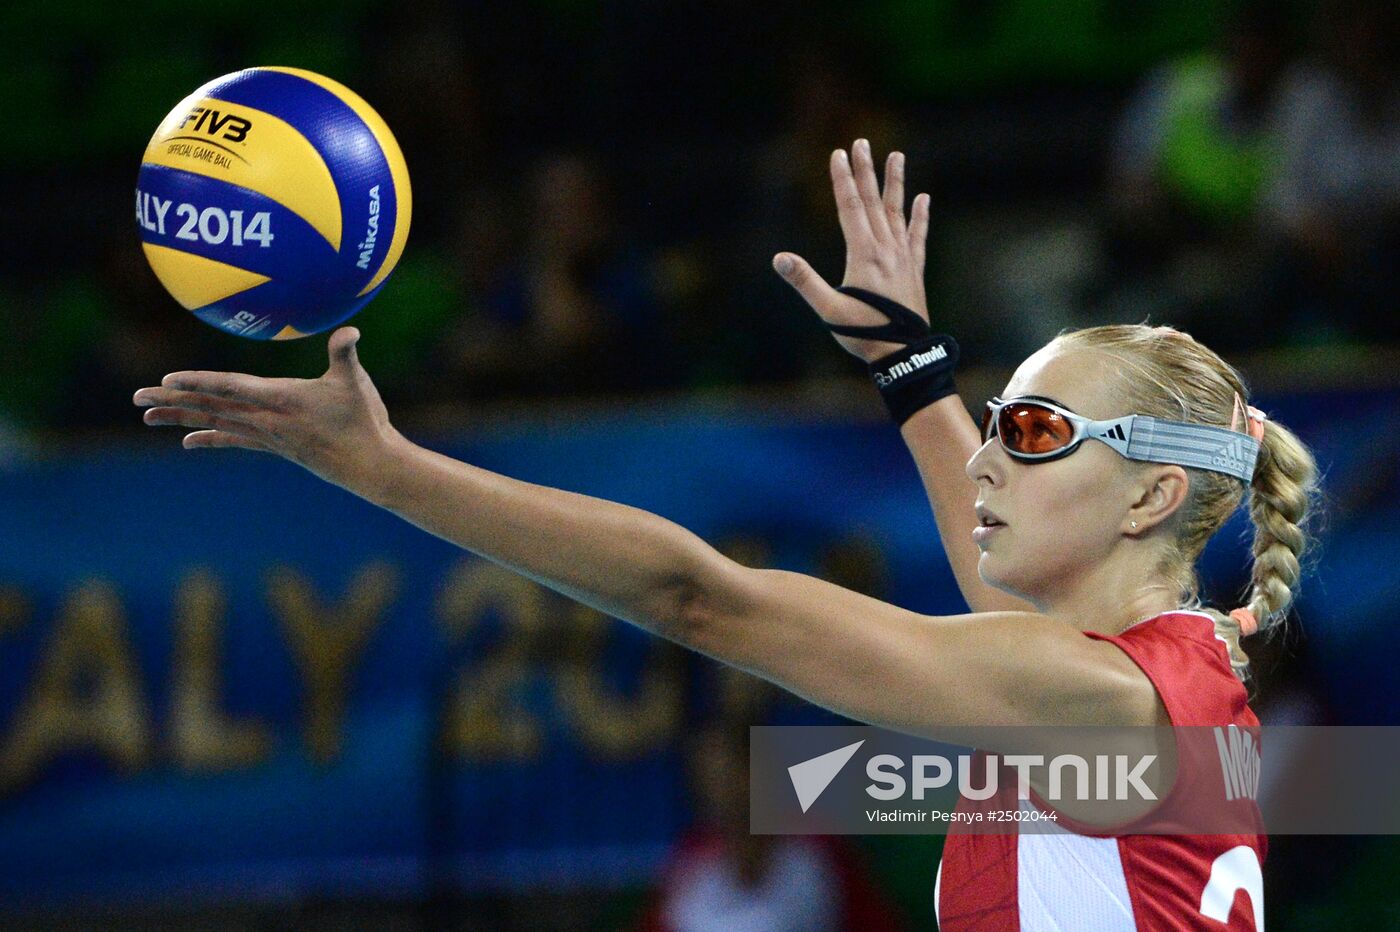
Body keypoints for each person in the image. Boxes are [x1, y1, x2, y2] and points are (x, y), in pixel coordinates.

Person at [133, 140, 1317, 929]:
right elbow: (993, 578)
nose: (992, 456)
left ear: (1152, 496)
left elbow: (700, 599)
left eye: (1039, 429)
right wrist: (908, 369)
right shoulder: (1165, 668)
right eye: (997, 419)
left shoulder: (1093, 697)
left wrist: (387, 470)